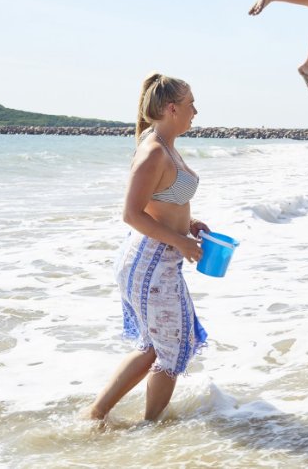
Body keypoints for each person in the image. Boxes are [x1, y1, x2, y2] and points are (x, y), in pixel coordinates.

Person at [88, 73, 210, 422]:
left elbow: (161, 203)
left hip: (156, 261)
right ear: (172, 108)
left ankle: (97, 416)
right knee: (169, 350)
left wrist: (188, 225)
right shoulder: (154, 150)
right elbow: (131, 213)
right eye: (190, 105)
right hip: (152, 263)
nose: (195, 112)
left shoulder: (163, 144)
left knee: (155, 346)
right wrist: (180, 241)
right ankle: (150, 427)